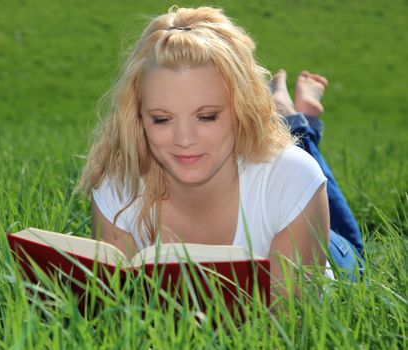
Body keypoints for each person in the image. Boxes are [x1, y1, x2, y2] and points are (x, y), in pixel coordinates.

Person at [76, 6, 363, 292]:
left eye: (207, 116)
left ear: (242, 110)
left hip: (329, 249)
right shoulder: (118, 187)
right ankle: (288, 113)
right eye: (161, 119)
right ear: (137, 117)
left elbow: (287, 323)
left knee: (352, 250)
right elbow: (116, 307)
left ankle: (297, 122)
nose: (184, 139)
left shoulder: (290, 176)